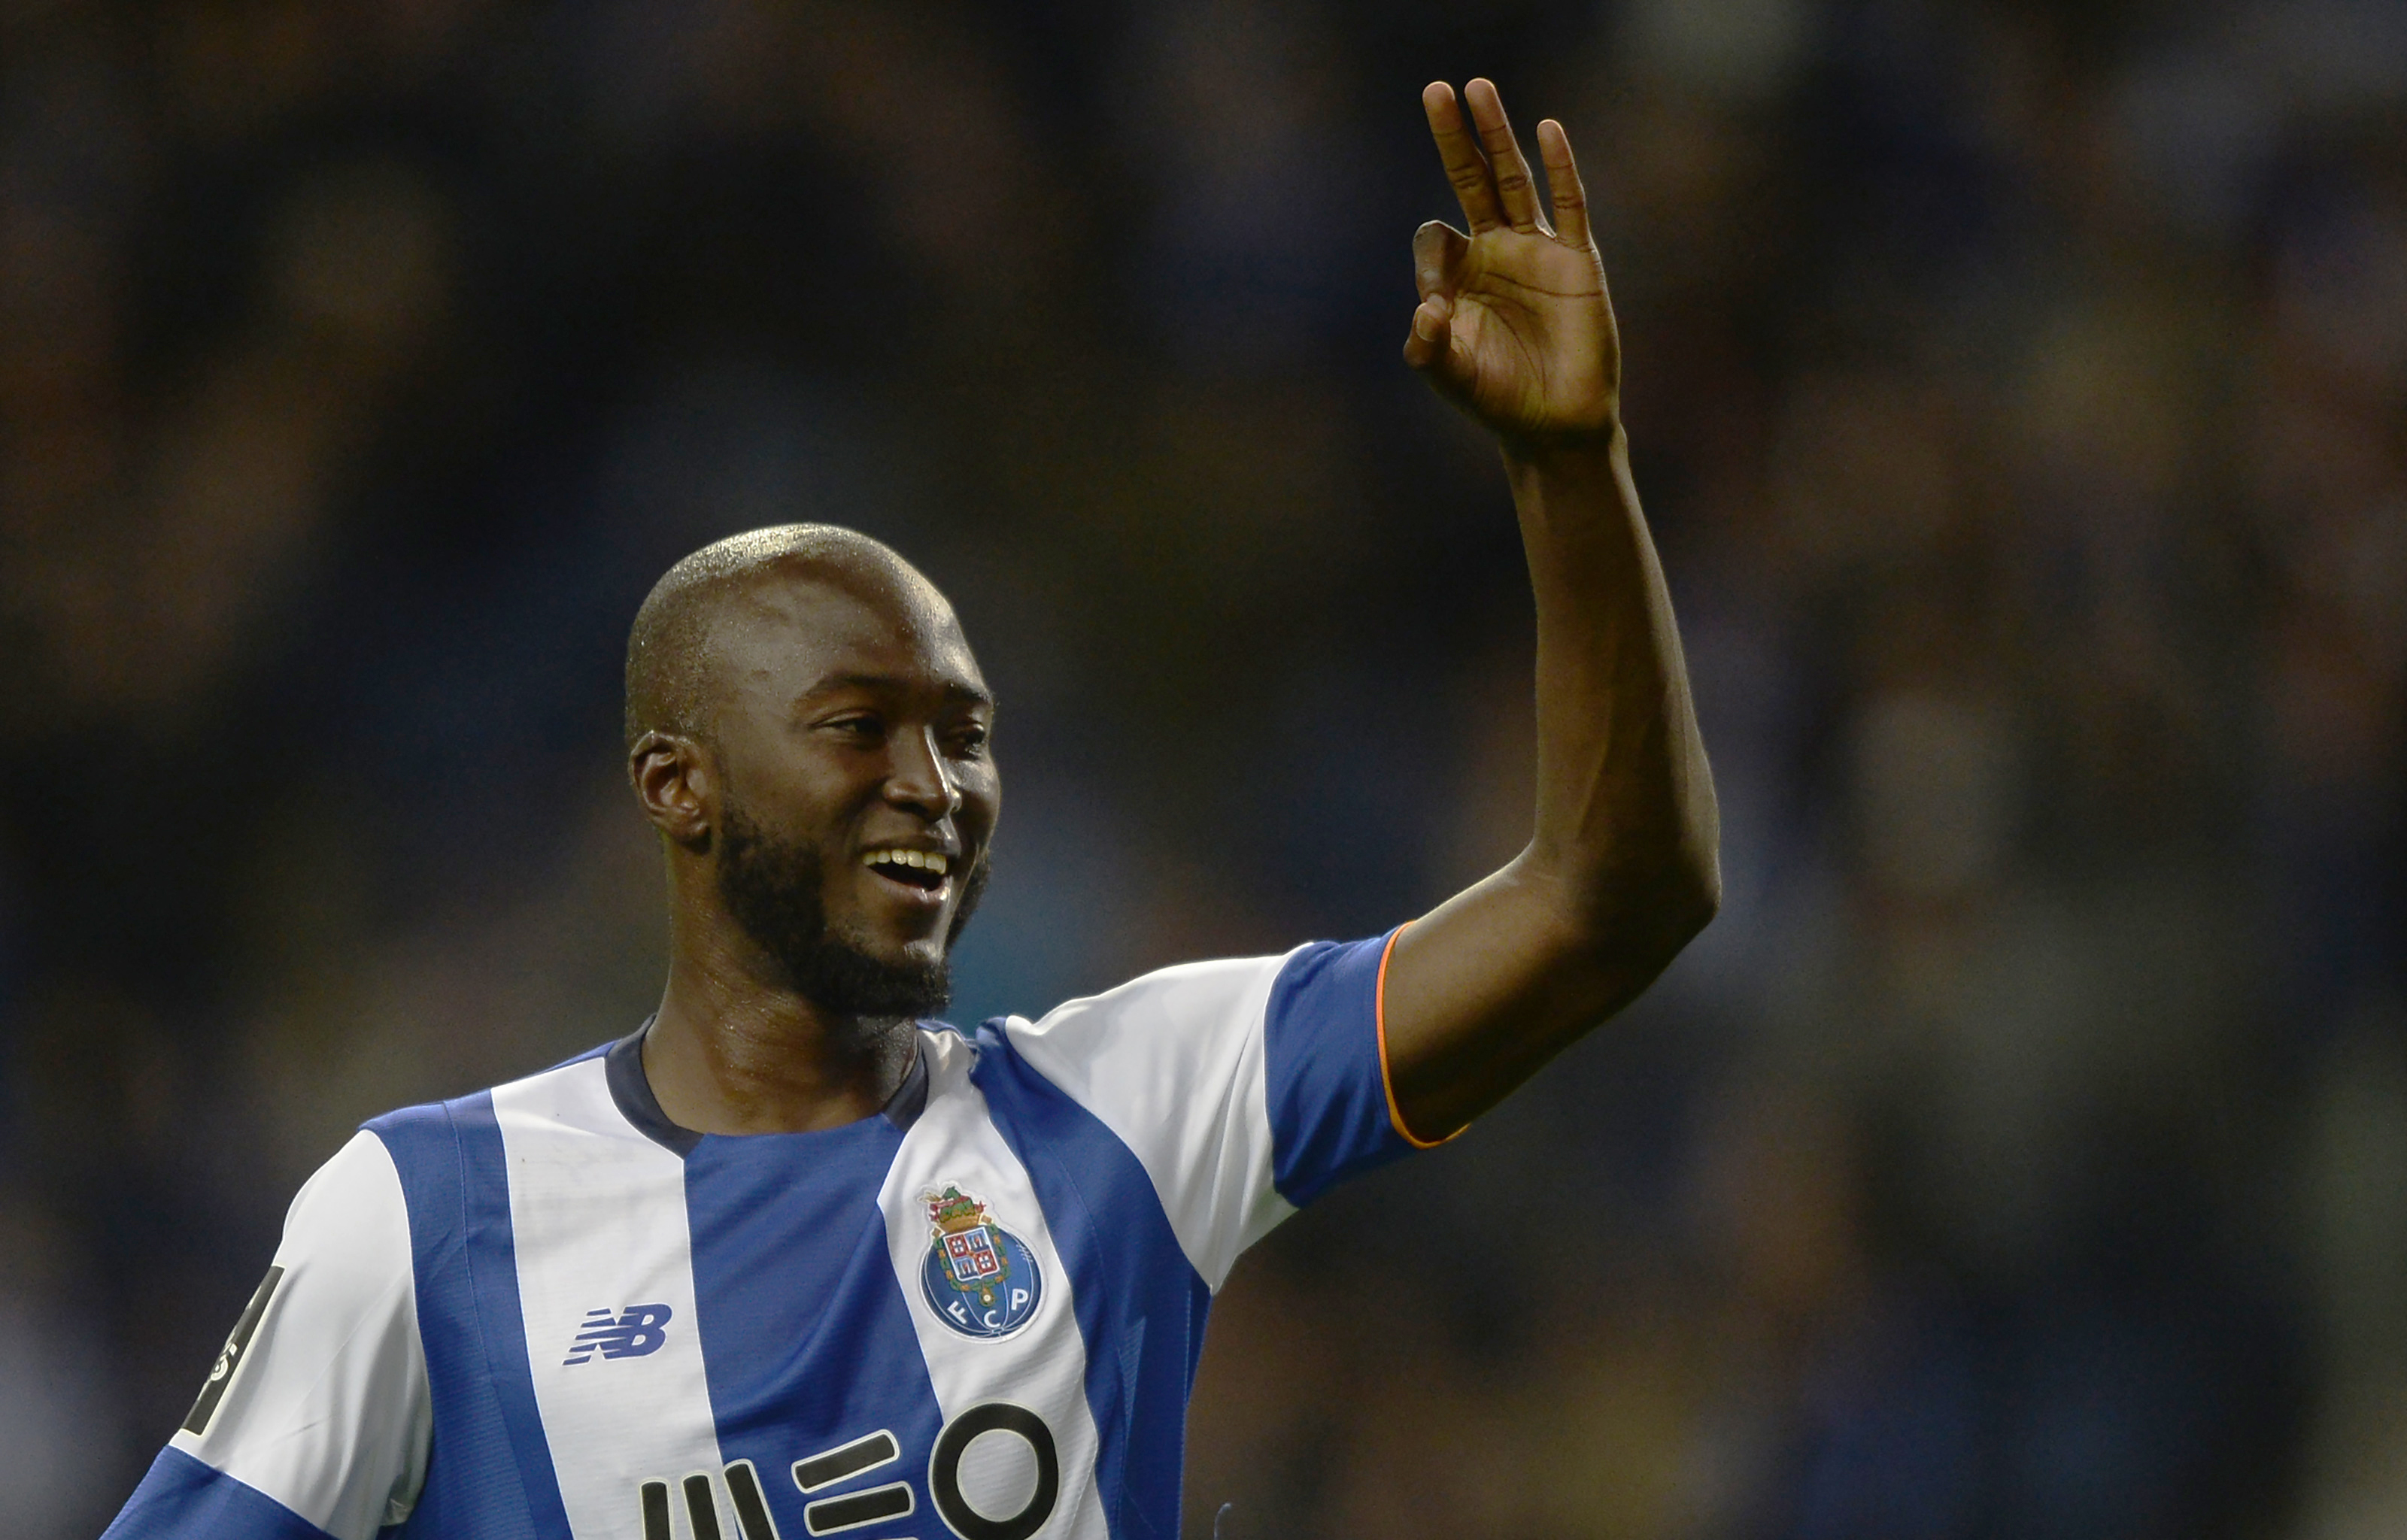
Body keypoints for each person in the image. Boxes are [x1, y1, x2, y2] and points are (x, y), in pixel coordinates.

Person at [103, 79, 1719, 1540]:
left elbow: (1607, 901)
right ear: (679, 784)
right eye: (858, 730)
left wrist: (1569, 470)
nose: (933, 788)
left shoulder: (1125, 1109)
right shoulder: (428, 1213)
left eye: (967, 735)